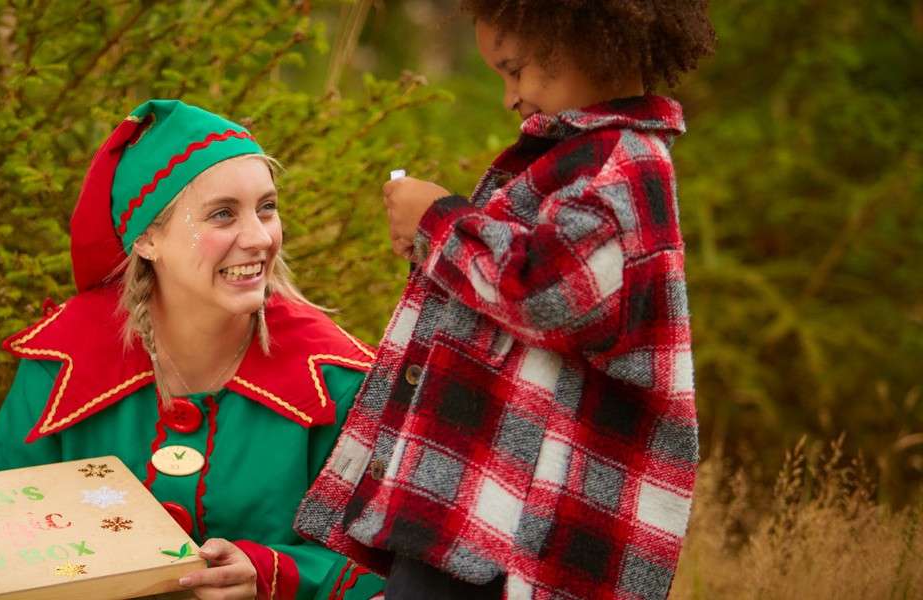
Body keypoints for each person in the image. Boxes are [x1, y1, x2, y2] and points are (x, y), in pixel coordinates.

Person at [295, 2, 716, 598]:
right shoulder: (577, 159)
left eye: (515, 70)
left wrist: (437, 221)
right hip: (479, 513)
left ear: (583, 41)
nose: (509, 97)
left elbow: (546, 294)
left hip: (528, 533)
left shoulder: (623, 164)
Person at [0, 99, 384, 600]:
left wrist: (273, 574)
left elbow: (390, 565)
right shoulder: (64, 362)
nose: (259, 238)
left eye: (267, 208)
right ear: (146, 238)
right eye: (223, 214)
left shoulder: (335, 378)